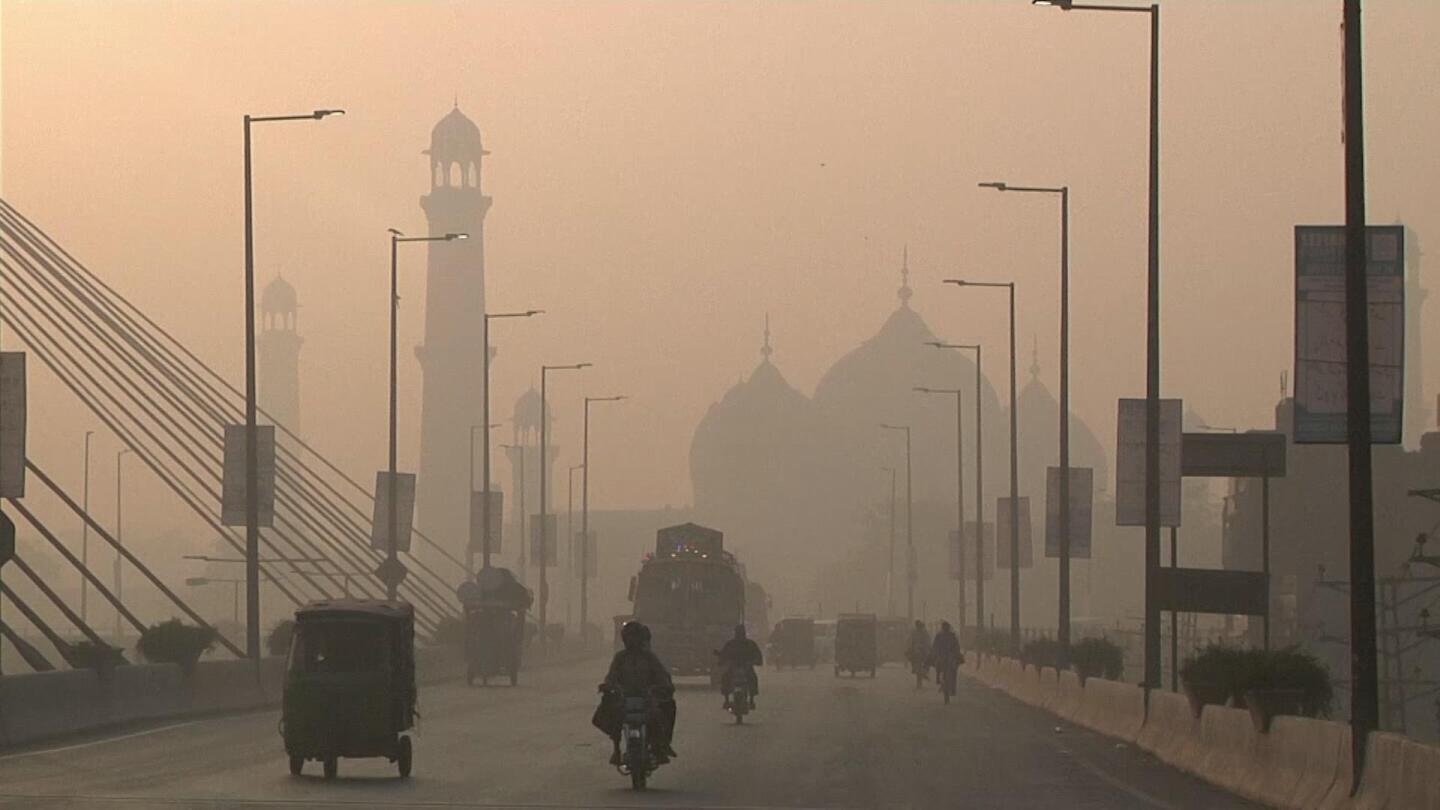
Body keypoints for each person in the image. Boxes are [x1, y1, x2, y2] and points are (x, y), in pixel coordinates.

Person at [593, 621, 677, 766]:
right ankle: (616, 749)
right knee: (610, 715)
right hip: (624, 698)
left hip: (647, 698)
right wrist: (608, 686)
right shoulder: (620, 658)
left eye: (635, 638)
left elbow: (662, 675)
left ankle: (661, 746)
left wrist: (664, 687)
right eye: (630, 638)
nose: (633, 641)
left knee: (665, 710)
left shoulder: (649, 658)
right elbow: (611, 676)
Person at [716, 624, 764, 709]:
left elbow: (758, 657)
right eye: (738, 633)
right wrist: (722, 661)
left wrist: (754, 662)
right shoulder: (730, 644)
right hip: (733, 668)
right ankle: (726, 700)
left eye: (741, 633)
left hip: (746, 668)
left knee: (753, 678)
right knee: (725, 677)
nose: (740, 635)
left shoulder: (750, 644)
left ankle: (752, 699)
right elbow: (723, 655)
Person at [930, 621, 962, 698]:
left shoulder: (941, 636)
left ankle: (938, 679)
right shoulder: (951, 636)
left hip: (945, 658)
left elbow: (934, 647)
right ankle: (950, 688)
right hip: (947, 658)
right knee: (952, 672)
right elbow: (957, 648)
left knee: (942, 668)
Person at [906, 620, 932, 687]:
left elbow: (928, 641)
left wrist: (927, 648)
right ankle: (919, 673)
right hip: (917, 652)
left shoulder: (924, 632)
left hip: (923, 651)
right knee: (915, 663)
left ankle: (924, 673)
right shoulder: (914, 632)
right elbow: (910, 641)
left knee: (927, 662)